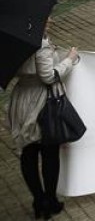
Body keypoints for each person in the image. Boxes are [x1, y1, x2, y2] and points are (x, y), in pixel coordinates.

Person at [8, 19, 80, 219]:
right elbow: (48, 76)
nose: (51, 20)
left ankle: (38, 200)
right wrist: (70, 59)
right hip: (42, 101)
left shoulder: (15, 41)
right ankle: (50, 200)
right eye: (47, 17)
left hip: (22, 98)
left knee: (28, 151)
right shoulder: (40, 44)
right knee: (49, 151)